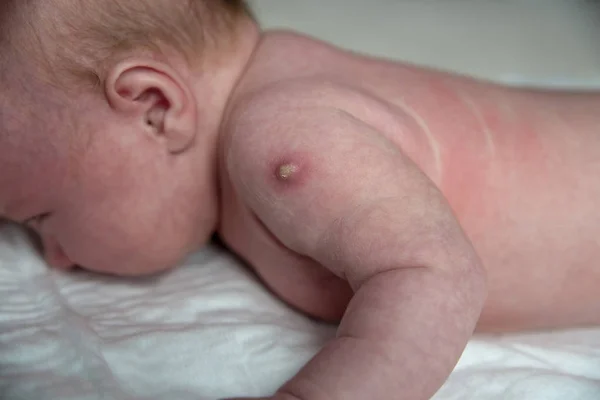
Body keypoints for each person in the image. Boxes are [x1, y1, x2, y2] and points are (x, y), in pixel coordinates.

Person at [1, 1, 599, 399]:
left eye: (41, 217)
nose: (54, 256)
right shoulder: (270, 97)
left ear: (156, 111)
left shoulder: (281, 139)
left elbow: (437, 275)